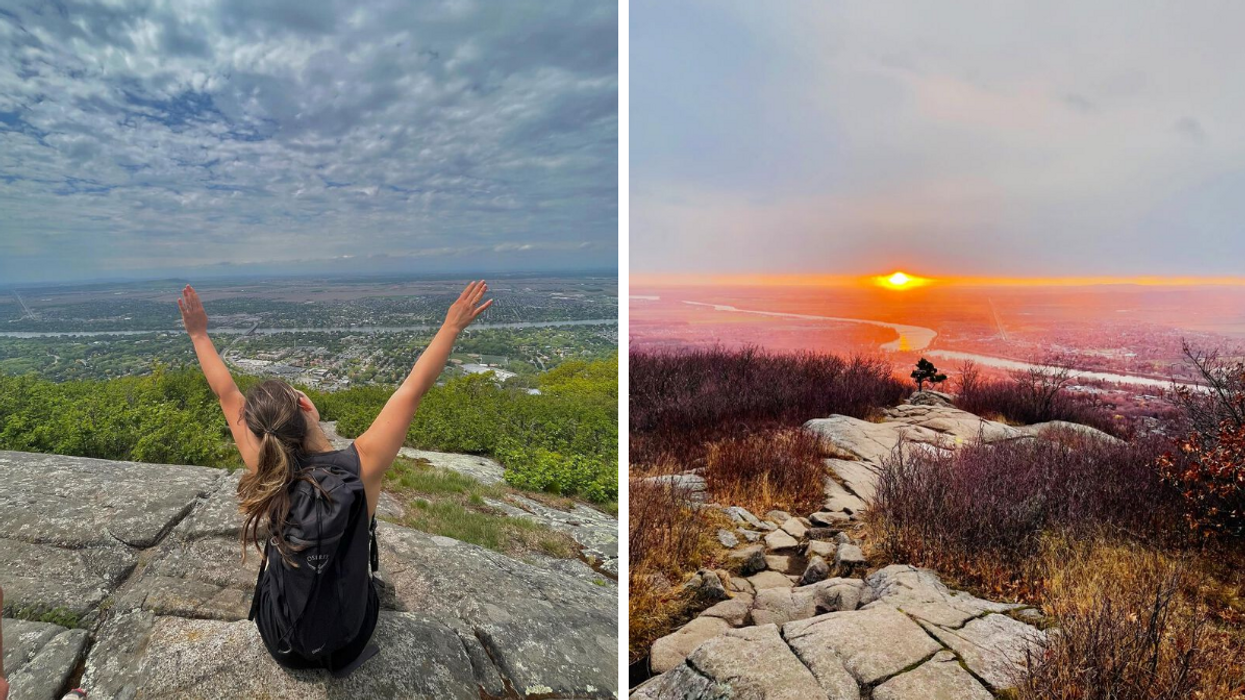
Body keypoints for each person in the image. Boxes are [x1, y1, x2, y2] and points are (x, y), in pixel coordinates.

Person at [177, 280, 492, 676]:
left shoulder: (265, 466)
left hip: (282, 643)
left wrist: (197, 333)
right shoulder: (362, 465)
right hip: (349, 641)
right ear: (307, 405)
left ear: (261, 436)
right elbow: (412, 390)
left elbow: (226, 392)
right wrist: (450, 327)